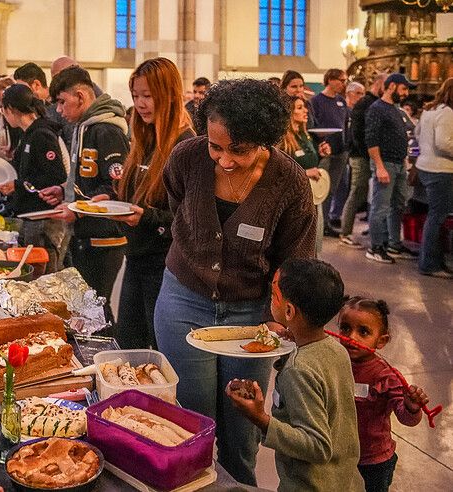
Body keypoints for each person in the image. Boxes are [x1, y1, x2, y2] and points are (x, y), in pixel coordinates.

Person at [154, 78, 316, 485]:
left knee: (242, 425)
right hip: (183, 301)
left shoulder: (290, 182)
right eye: (216, 146)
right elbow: (177, 205)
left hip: (250, 314)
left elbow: (295, 259)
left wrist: (278, 320)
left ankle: (241, 483)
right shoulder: (188, 157)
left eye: (238, 151)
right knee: (190, 418)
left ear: (264, 140)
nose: (224, 161)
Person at [226, 258, 364, 491]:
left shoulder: (299, 369)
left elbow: (318, 446)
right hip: (346, 481)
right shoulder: (336, 349)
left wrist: (261, 419)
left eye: (273, 295)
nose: (270, 299)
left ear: (289, 310)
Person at [108, 58, 195, 350]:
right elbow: (135, 196)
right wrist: (110, 200)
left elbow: (188, 217)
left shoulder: (184, 145)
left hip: (164, 265)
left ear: (169, 95)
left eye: (147, 96)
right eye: (135, 96)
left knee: (160, 348)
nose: (140, 104)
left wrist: (146, 218)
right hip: (136, 257)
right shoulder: (145, 137)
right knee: (128, 344)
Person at [40, 65, 130, 316]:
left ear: (80, 96)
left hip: (104, 237)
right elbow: (86, 176)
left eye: (61, 102)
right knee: (83, 306)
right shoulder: (86, 127)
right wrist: (64, 190)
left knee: (96, 309)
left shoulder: (107, 130)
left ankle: (104, 355)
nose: (58, 110)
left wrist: (78, 209)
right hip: (85, 232)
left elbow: (116, 185)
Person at [337, 296, 429, 492]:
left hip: (373, 461)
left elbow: (407, 418)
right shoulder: (334, 364)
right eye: (345, 328)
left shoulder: (386, 376)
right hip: (339, 455)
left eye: (363, 332)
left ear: (381, 340)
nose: (351, 337)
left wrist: (412, 407)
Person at [0, 83, 68, 270]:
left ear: (10, 109)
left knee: (43, 277)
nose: (3, 116)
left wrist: (18, 185)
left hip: (43, 218)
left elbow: (55, 177)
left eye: (3, 110)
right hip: (30, 216)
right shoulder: (28, 134)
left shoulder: (41, 134)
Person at [365, 73, 418, 264]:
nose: (405, 94)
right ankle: (375, 247)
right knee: (380, 207)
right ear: (392, 86)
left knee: (398, 205)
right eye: (403, 89)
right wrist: (379, 167)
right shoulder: (377, 109)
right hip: (385, 164)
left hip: (398, 164)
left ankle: (394, 244)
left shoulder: (395, 109)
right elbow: (371, 140)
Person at [278, 96, 331, 255]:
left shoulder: (305, 135)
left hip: (313, 196)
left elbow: (309, 161)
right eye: (300, 107)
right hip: (295, 199)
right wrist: (305, 173)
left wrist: (321, 155)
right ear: (290, 112)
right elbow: (280, 170)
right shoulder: (283, 140)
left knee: (316, 241)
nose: (306, 111)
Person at [340, 73, 387, 248]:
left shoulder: (372, 103)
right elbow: (358, 134)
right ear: (380, 84)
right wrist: (368, 155)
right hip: (360, 156)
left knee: (365, 193)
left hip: (367, 155)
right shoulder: (365, 104)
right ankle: (345, 233)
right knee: (356, 193)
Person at [415, 77, 453, 278]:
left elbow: (417, 132)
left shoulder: (430, 110)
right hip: (442, 170)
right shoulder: (447, 113)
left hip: (426, 166)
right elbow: (443, 143)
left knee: (435, 216)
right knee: (437, 217)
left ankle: (433, 259)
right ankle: (429, 264)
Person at [310, 68, 350, 236]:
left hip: (340, 150)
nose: (343, 84)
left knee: (333, 189)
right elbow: (313, 124)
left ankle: (326, 221)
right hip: (324, 150)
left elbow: (346, 123)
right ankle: (319, 223)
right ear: (330, 80)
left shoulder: (341, 101)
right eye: (341, 80)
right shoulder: (316, 101)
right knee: (321, 189)